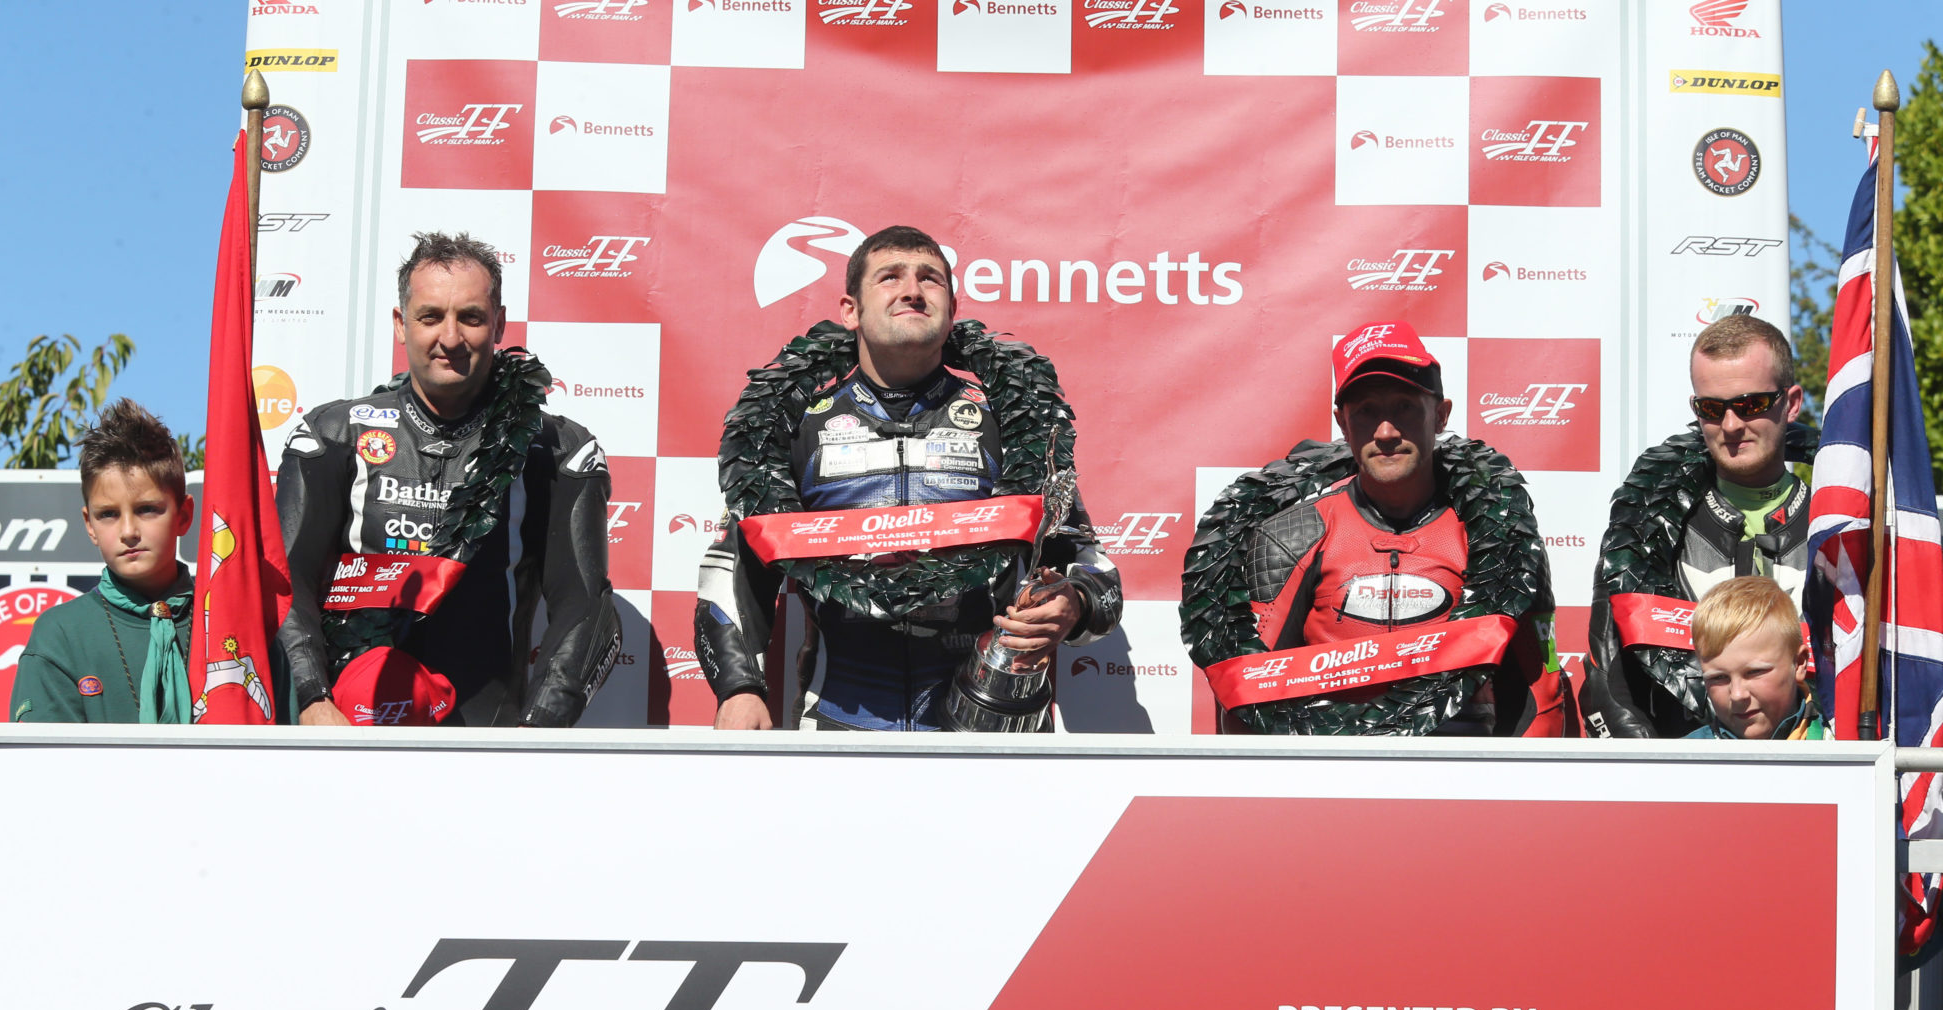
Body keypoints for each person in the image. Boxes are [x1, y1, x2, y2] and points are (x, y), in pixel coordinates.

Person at [696, 224, 1121, 730]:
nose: (912, 291)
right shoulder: (798, 427)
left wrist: (1074, 604)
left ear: (953, 310)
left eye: (930, 279)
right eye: (889, 277)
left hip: (990, 718)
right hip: (839, 715)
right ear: (850, 310)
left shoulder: (1010, 422)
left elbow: (1092, 568)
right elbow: (733, 569)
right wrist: (739, 690)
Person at [276, 231, 620, 726]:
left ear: (499, 324)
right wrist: (311, 697)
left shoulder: (555, 448)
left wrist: (538, 732)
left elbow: (586, 608)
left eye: (472, 317)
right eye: (430, 316)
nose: (450, 338)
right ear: (401, 324)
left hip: (493, 746)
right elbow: (286, 582)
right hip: (349, 733)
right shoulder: (334, 434)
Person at [1182, 320, 1565, 736]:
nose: (1385, 432)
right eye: (1366, 412)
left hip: (1460, 776)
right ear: (1342, 424)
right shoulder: (1293, 533)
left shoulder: (1496, 532)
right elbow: (1247, 693)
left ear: (1440, 415)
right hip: (1329, 778)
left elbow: (1539, 693)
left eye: (1404, 407)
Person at [1583, 315, 1814, 737]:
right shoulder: (1647, 530)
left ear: (1792, 403)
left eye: (1751, 405)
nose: (1730, 425)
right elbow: (1608, 685)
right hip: (1685, 784)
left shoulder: (1842, 526)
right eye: (1711, 408)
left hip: (1831, 776)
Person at [10, 401, 205, 723]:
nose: (129, 531)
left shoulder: (231, 625)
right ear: (90, 525)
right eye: (109, 514)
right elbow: (40, 765)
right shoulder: (61, 635)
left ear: (184, 515)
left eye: (147, 509)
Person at [1684, 576, 1821, 740]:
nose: (1737, 694)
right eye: (1719, 677)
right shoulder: (1683, 761)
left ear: (1798, 663)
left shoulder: (1844, 752)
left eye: (1754, 672)